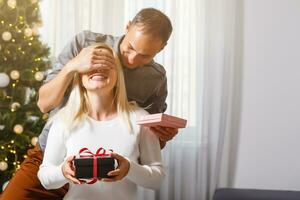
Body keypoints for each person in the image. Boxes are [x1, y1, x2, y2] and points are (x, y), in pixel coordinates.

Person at [1, 8, 176, 199]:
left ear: (161, 48)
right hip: (50, 155)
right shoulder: (85, 44)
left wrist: (162, 135)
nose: (133, 60)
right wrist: (72, 66)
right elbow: (44, 104)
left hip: (109, 169)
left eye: (145, 55)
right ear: (127, 27)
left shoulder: (155, 79)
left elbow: (148, 144)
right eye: (131, 48)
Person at [37, 43, 165, 200]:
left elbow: (158, 179)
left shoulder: (140, 118)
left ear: (118, 76)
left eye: (107, 64)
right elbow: (45, 178)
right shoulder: (64, 121)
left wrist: (129, 169)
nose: (99, 69)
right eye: (92, 64)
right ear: (80, 77)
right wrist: (62, 171)